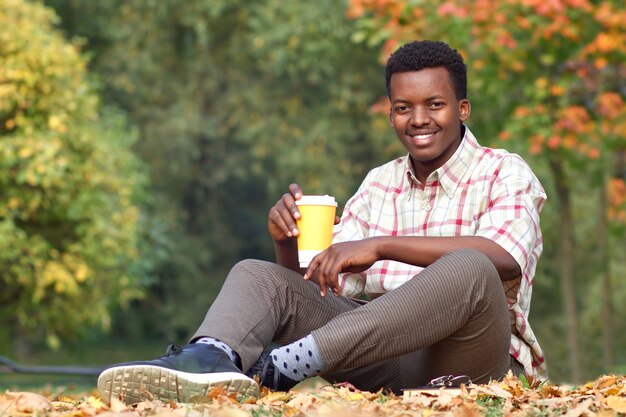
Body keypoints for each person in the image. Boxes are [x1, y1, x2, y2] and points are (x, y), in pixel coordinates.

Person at [98, 40, 548, 404]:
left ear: (463, 108)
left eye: (435, 104)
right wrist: (287, 243)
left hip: (468, 361)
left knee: (469, 267)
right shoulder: (380, 182)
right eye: (403, 107)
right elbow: (317, 286)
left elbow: (504, 259)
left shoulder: (503, 171)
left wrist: (380, 245)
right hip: (384, 359)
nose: (418, 120)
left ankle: (284, 367)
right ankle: (206, 360)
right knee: (257, 274)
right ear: (391, 112)